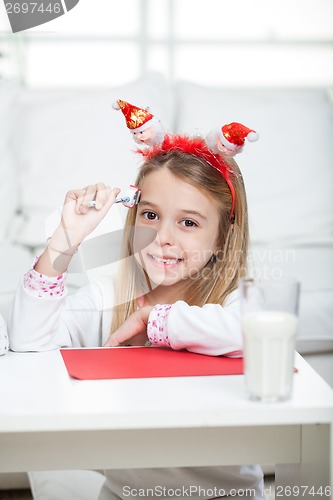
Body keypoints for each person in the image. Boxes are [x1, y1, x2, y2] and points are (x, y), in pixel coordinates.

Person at [8, 131, 265, 499]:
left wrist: (156, 321)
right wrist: (64, 240)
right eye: (150, 215)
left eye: (188, 222)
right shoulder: (110, 295)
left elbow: (252, 332)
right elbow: (29, 340)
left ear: (223, 237)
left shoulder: (233, 300)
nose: (162, 236)